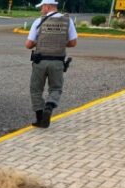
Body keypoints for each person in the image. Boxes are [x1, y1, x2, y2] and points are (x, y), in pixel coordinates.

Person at [25, 0, 77, 128]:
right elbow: (73, 43)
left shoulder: (39, 21)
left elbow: (28, 45)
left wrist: (41, 42)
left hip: (40, 61)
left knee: (36, 89)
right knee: (56, 88)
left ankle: (40, 118)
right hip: (58, 62)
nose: (41, 10)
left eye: (42, 7)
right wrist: (58, 43)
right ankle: (49, 106)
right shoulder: (67, 21)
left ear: (47, 7)